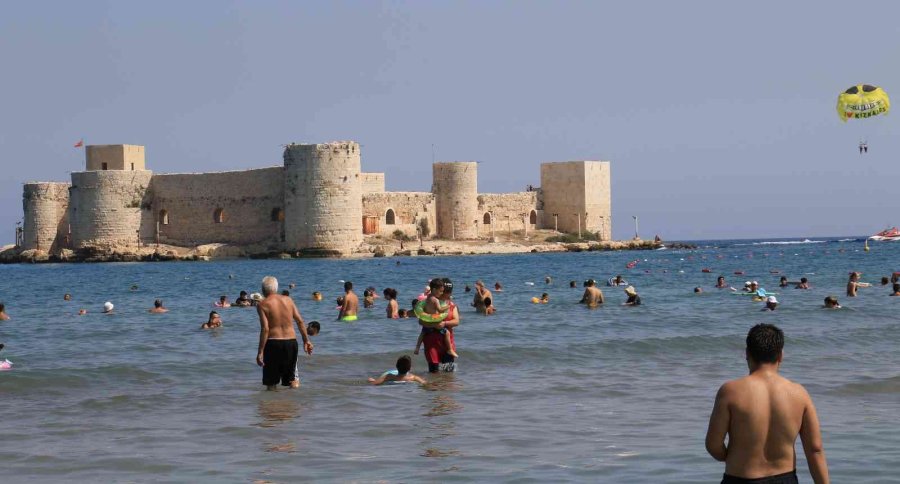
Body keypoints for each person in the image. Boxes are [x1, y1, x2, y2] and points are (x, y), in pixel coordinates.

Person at [706, 324, 828, 484]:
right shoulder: (800, 394)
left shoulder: (730, 391)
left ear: (747, 353)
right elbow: (815, 449)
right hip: (785, 478)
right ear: (781, 355)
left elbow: (713, 445)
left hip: (741, 478)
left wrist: (732, 456)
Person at [256, 276, 313, 390]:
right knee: (292, 380)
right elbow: (300, 321)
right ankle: (292, 405)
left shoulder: (262, 304)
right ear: (276, 288)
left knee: (271, 384)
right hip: (291, 343)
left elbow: (265, 328)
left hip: (273, 343)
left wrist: (260, 351)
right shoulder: (288, 300)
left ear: (263, 290)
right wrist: (306, 340)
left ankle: (273, 407)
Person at [420, 278, 461, 373]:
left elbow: (456, 321)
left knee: (449, 374)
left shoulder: (451, 305)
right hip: (432, 344)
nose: (448, 294)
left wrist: (444, 323)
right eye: (446, 291)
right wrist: (434, 324)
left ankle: (445, 386)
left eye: (449, 291)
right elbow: (421, 321)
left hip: (448, 345)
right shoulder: (430, 302)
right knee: (433, 373)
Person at [414, 279, 457, 357]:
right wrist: (447, 307)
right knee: (447, 333)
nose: (442, 293)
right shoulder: (436, 300)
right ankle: (450, 349)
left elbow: (456, 322)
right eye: (441, 291)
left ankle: (417, 348)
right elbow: (440, 310)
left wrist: (444, 323)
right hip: (434, 327)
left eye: (447, 292)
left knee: (422, 333)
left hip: (428, 324)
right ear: (434, 290)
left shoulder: (427, 298)